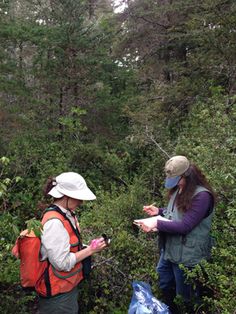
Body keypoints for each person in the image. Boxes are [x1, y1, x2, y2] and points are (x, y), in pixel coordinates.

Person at [139, 156, 215, 312]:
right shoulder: (179, 189)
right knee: (165, 283)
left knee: (186, 296)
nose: (173, 182)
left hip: (188, 256)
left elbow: (185, 225)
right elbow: (176, 214)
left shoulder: (202, 196)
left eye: (176, 179)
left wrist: (156, 223)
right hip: (170, 251)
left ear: (186, 175)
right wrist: (159, 212)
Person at [37, 172, 107, 314]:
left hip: (66, 288)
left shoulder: (67, 214)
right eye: (78, 198)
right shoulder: (55, 223)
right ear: (65, 196)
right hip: (57, 297)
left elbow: (67, 247)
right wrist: (91, 250)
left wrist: (88, 246)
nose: (81, 202)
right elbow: (61, 263)